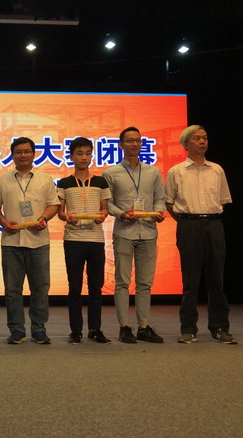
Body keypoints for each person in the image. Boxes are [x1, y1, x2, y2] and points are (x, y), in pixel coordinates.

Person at [165, 125, 236, 344]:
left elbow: (223, 200)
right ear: (186, 144)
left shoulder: (217, 170)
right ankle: (188, 328)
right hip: (188, 225)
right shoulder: (176, 171)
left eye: (205, 138)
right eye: (197, 138)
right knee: (190, 280)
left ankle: (219, 327)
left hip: (214, 224)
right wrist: (185, 221)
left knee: (217, 278)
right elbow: (169, 202)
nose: (202, 141)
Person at [102, 126, 166, 344]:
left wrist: (159, 211)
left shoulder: (153, 172)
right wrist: (121, 214)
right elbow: (108, 204)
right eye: (130, 140)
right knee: (122, 282)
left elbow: (160, 198)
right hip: (124, 231)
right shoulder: (110, 173)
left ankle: (144, 327)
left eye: (138, 140)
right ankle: (124, 327)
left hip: (148, 231)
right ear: (121, 145)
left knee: (145, 283)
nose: (135, 144)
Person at [0, 137, 59, 344]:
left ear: (34, 154)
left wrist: (44, 218)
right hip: (11, 241)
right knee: (12, 290)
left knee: (40, 288)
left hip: (38, 241)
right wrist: (4, 222)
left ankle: (39, 328)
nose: (23, 155)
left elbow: (53, 204)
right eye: (18, 152)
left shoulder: (45, 179)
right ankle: (16, 330)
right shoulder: (3, 180)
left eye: (27, 151)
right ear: (12, 155)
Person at [57, 137, 111, 344]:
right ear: (71, 156)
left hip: (96, 239)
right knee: (75, 287)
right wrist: (67, 217)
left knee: (96, 287)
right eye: (79, 153)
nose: (84, 157)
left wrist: (102, 215)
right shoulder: (64, 183)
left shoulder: (100, 182)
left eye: (88, 153)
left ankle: (95, 329)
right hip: (73, 239)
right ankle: (76, 330)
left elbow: (105, 209)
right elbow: (61, 212)